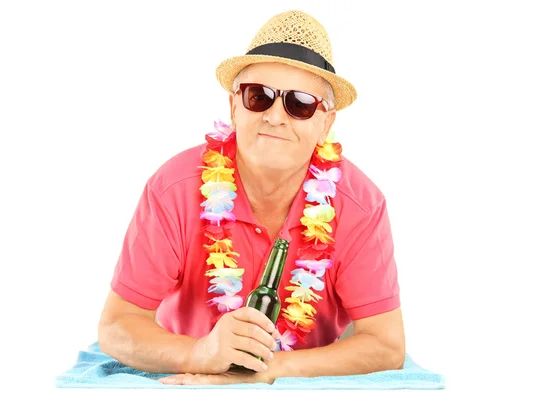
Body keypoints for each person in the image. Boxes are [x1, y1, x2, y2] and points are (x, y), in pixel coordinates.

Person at [97, 9, 405, 385]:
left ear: (326, 122)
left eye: (300, 103)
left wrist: (271, 371)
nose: (275, 117)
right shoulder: (174, 188)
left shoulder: (360, 205)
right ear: (233, 106)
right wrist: (200, 354)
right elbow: (116, 326)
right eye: (258, 97)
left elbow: (387, 345)